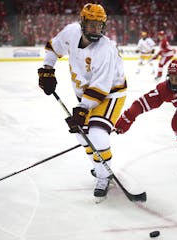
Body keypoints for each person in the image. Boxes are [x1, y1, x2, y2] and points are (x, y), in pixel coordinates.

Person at [37, 3, 127, 202]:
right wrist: (47, 69)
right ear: (83, 22)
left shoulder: (106, 49)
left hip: (110, 94)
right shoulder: (71, 32)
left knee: (96, 134)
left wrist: (82, 109)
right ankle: (99, 167)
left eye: (99, 24)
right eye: (91, 24)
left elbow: (100, 87)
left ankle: (104, 176)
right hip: (86, 95)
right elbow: (54, 48)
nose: (96, 29)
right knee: (81, 134)